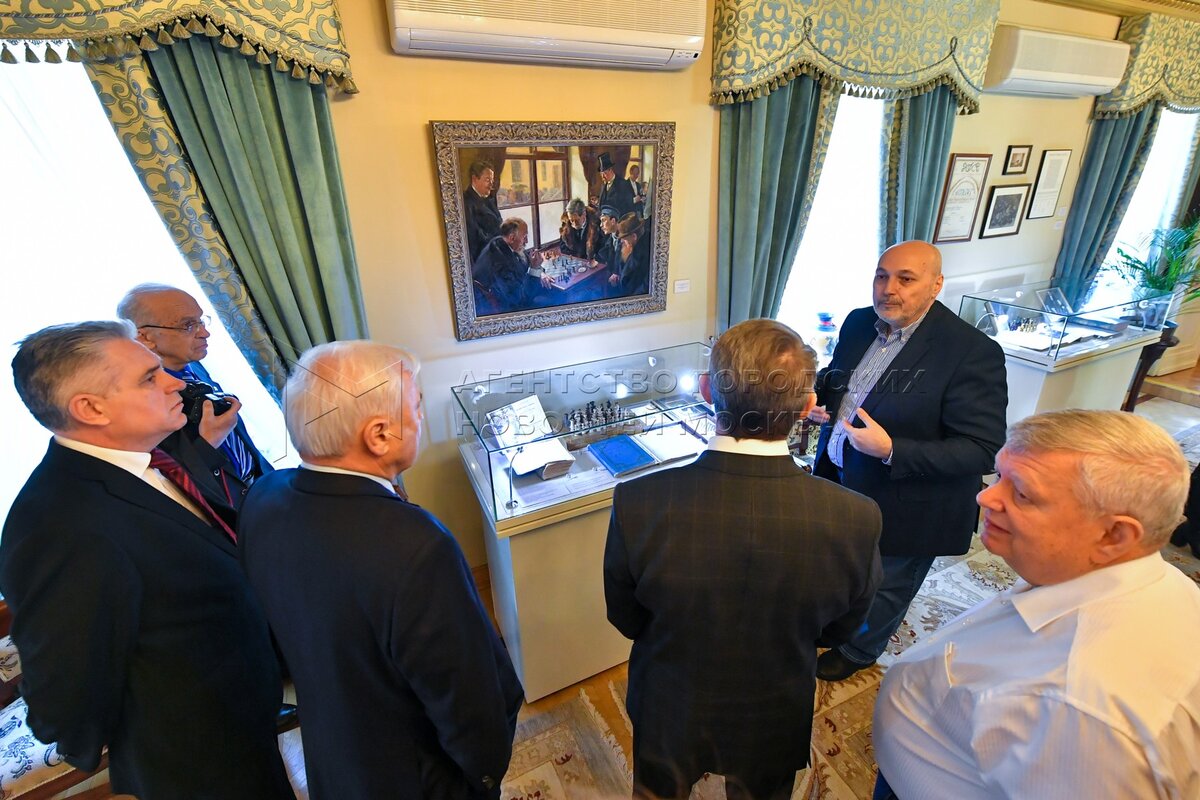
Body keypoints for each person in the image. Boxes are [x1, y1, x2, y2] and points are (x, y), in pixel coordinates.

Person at [0, 321, 292, 799]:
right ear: (90, 408)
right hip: (191, 757)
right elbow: (63, 686)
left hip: (242, 718)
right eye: (150, 378)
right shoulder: (59, 524)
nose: (175, 383)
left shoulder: (146, 460)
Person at [604, 319, 883, 800]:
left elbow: (625, 617)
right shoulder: (856, 517)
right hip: (773, 710)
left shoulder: (639, 502)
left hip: (670, 706)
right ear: (808, 404)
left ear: (707, 390)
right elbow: (841, 630)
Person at [239, 341, 523, 799]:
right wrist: (484, 777)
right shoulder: (417, 547)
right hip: (416, 777)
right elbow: (468, 697)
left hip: (337, 756)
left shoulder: (263, 496)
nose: (422, 416)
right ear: (379, 435)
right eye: (416, 405)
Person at [873, 409, 1200, 799]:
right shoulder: (1121, 576)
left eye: (1023, 493)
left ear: (1113, 536)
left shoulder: (1080, 715)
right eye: (999, 476)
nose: (985, 497)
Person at [811, 240, 1008, 682]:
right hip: (842, 477)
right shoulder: (859, 321)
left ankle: (860, 649)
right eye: (882, 276)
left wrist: (892, 450)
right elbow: (839, 378)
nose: (888, 289)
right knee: (845, 566)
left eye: (905, 279)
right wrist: (819, 397)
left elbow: (983, 448)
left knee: (887, 582)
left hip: (912, 503)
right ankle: (836, 621)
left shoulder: (972, 352)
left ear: (936, 285)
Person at [117, 283, 272, 515]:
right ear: (145, 337)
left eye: (201, 321)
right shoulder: (136, 401)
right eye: (188, 325)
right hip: (225, 513)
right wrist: (208, 444)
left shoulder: (194, 367)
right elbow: (165, 482)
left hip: (261, 491)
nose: (204, 333)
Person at [472, 218, 554, 314]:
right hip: (507, 308)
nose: (527, 241)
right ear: (512, 238)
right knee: (552, 300)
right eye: (524, 237)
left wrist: (540, 273)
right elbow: (519, 299)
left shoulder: (502, 242)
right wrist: (535, 269)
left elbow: (526, 263)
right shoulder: (499, 261)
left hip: (515, 297)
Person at [463, 160, 502, 264]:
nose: (491, 184)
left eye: (492, 180)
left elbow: (499, 222)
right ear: (474, 179)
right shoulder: (466, 202)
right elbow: (476, 236)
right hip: (483, 258)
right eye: (487, 180)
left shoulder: (489, 199)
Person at [608, 212, 651, 297]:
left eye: (624, 239)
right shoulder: (625, 242)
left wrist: (631, 299)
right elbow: (618, 260)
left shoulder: (648, 251)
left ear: (634, 236)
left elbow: (646, 284)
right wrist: (616, 273)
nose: (621, 241)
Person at [597, 152, 634, 219]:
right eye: (601, 174)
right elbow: (600, 206)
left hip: (619, 221)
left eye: (604, 173)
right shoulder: (603, 186)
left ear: (610, 170)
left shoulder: (623, 184)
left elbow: (628, 207)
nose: (603, 177)